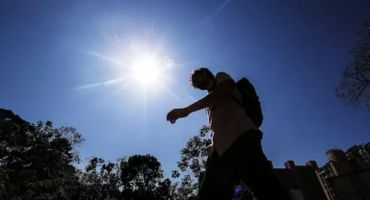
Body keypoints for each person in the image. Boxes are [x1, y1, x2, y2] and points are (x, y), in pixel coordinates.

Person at [167, 67, 291, 200]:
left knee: (267, 189)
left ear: (204, 73)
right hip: (221, 152)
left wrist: (187, 110)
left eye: (196, 80)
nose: (196, 84)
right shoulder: (208, 103)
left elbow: (222, 93)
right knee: (210, 194)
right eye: (195, 84)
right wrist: (213, 146)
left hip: (243, 140)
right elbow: (219, 126)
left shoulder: (221, 77)